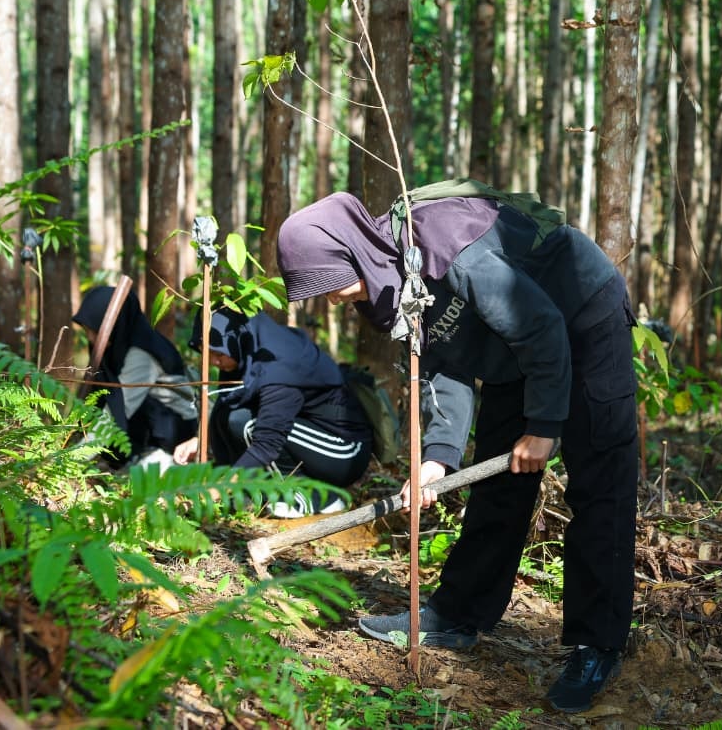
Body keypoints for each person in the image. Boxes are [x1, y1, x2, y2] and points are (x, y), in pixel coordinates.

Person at [276, 189, 638, 714]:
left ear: (350, 251)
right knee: (499, 481)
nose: (332, 299)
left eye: (332, 284)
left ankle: (596, 645)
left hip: (578, 314)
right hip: (513, 346)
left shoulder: (449, 251)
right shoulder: (391, 282)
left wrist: (543, 425)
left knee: (599, 482)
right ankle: (457, 615)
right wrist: (436, 459)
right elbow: (443, 367)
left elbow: (540, 326)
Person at [173, 308, 373, 518]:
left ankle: (317, 497)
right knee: (233, 418)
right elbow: (227, 405)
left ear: (236, 340)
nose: (213, 361)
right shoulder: (246, 347)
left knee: (250, 426)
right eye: (206, 352)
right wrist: (201, 439)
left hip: (343, 450)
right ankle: (254, 491)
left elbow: (267, 444)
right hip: (304, 432)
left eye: (218, 353)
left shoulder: (279, 366)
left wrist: (218, 488)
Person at [73, 285, 199, 470]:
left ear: (116, 324)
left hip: (172, 435)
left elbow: (114, 414)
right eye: (87, 332)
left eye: (95, 332)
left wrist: (71, 460)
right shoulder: (116, 347)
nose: (91, 339)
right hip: (143, 429)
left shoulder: (142, 354)